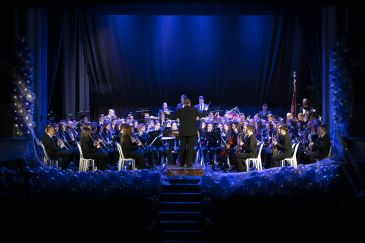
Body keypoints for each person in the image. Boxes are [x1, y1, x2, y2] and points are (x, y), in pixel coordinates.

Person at [169, 98, 204, 167]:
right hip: (191, 133)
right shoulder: (194, 109)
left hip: (182, 133)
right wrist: (205, 110)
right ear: (190, 104)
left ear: (184, 104)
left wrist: (168, 114)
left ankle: (181, 163)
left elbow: (172, 117)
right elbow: (201, 115)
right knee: (190, 148)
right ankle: (189, 163)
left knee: (182, 148)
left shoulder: (180, 110)